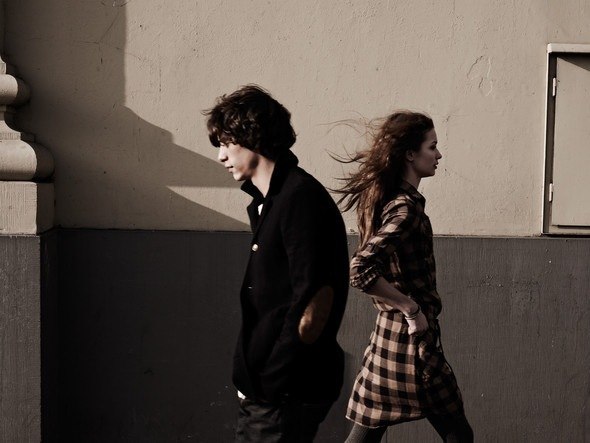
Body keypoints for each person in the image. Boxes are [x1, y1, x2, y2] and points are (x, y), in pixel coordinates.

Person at [204, 85, 349, 442]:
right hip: (269, 391)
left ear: (251, 137)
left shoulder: (299, 199)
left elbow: (312, 302)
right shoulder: (271, 201)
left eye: (226, 143)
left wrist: (270, 382)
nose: (221, 156)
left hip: (283, 393)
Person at [334, 111, 473, 442]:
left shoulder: (394, 201)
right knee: (459, 435)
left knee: (367, 434)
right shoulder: (405, 208)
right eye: (432, 147)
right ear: (410, 154)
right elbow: (360, 269)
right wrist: (410, 307)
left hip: (389, 338)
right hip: (412, 344)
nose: (439, 155)